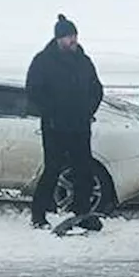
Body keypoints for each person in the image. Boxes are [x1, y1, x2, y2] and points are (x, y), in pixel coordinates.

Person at [25, 14, 105, 231]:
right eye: (69, 37)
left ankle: (82, 213)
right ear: (59, 38)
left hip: (80, 125)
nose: (73, 41)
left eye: (75, 36)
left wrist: (88, 110)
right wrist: (51, 112)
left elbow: (97, 89)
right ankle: (38, 214)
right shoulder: (43, 61)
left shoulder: (84, 61)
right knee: (52, 169)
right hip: (55, 126)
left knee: (84, 171)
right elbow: (33, 92)